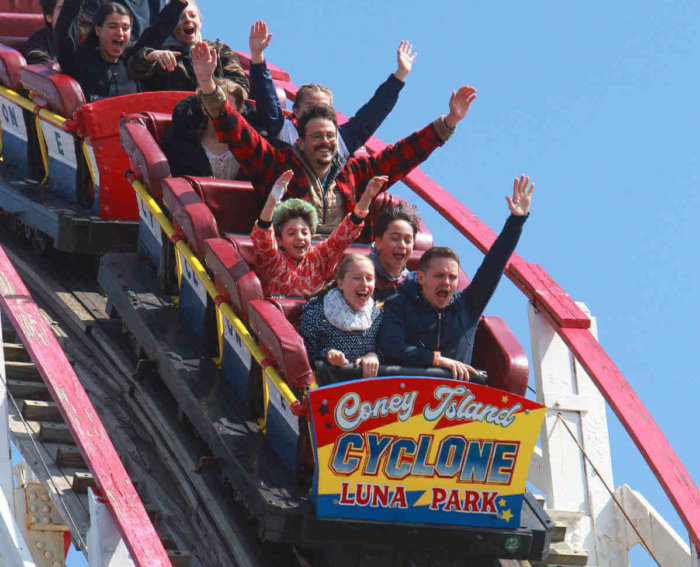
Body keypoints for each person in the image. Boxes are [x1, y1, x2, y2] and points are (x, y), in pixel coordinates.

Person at [192, 40, 476, 235]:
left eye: (330, 136)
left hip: (339, 267)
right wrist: (207, 84)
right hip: (289, 261)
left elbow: (401, 156)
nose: (325, 142)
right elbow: (237, 131)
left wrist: (448, 122)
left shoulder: (353, 173)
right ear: (300, 142)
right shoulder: (278, 166)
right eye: (317, 136)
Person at [378, 175, 535, 380]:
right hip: (403, 401)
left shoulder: (467, 306)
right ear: (422, 278)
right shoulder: (398, 304)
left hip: (455, 406)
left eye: (452, 277)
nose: (447, 282)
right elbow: (391, 347)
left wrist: (516, 220)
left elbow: (494, 264)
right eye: (440, 276)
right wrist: (437, 360)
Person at [248, 20, 417, 158]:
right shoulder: (283, 130)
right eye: (309, 107)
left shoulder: (339, 140)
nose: (316, 112)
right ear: (296, 111)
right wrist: (257, 57)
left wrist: (399, 75)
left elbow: (372, 114)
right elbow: (266, 98)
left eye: (322, 109)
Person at [251, 171, 387, 297]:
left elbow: (343, 236)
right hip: (272, 319)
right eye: (291, 233)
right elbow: (263, 235)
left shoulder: (318, 259)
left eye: (305, 232)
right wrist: (273, 199)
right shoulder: (272, 260)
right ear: (279, 240)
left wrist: (367, 196)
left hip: (311, 320)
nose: (300, 237)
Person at [54, 0, 186, 101]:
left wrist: (178, 4)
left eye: (125, 28)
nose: (120, 33)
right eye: (113, 27)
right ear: (98, 30)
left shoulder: (131, 58)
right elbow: (63, 33)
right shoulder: (80, 61)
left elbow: (155, 34)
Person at [128, 0, 249, 95]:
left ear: (200, 21)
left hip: (216, 117)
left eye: (192, 15)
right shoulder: (163, 56)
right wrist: (149, 56)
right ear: (173, 25)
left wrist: (210, 87)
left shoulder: (219, 51)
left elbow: (240, 86)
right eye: (181, 17)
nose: (187, 20)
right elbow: (134, 67)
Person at [299, 254, 382, 382]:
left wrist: (373, 355)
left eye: (369, 278)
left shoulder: (377, 316)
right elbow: (303, 356)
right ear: (340, 283)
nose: (364, 284)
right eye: (357, 278)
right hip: (325, 388)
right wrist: (327, 354)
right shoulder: (316, 313)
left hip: (365, 395)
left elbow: (388, 350)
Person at [160, 78, 248, 178]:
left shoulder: (248, 147)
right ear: (204, 109)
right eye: (219, 107)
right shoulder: (182, 143)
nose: (224, 113)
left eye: (230, 109)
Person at [370, 203, 420, 301]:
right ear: (379, 242)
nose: (402, 245)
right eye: (395, 238)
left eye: (407, 240)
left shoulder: (412, 287)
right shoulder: (359, 275)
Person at [24, 0, 60, 67]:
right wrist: (54, 65)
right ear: (49, 17)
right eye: (62, 9)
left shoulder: (84, 36)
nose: (70, 13)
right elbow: (37, 59)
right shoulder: (39, 39)